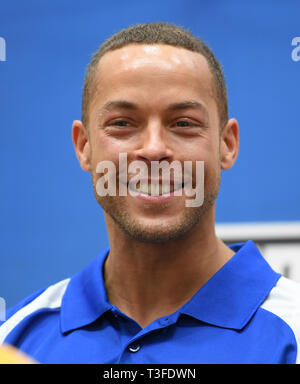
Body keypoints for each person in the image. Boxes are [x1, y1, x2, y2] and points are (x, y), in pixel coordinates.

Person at [1, 22, 300, 364]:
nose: (154, 150)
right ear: (84, 147)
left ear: (227, 145)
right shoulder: (13, 338)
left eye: (183, 123)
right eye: (123, 123)